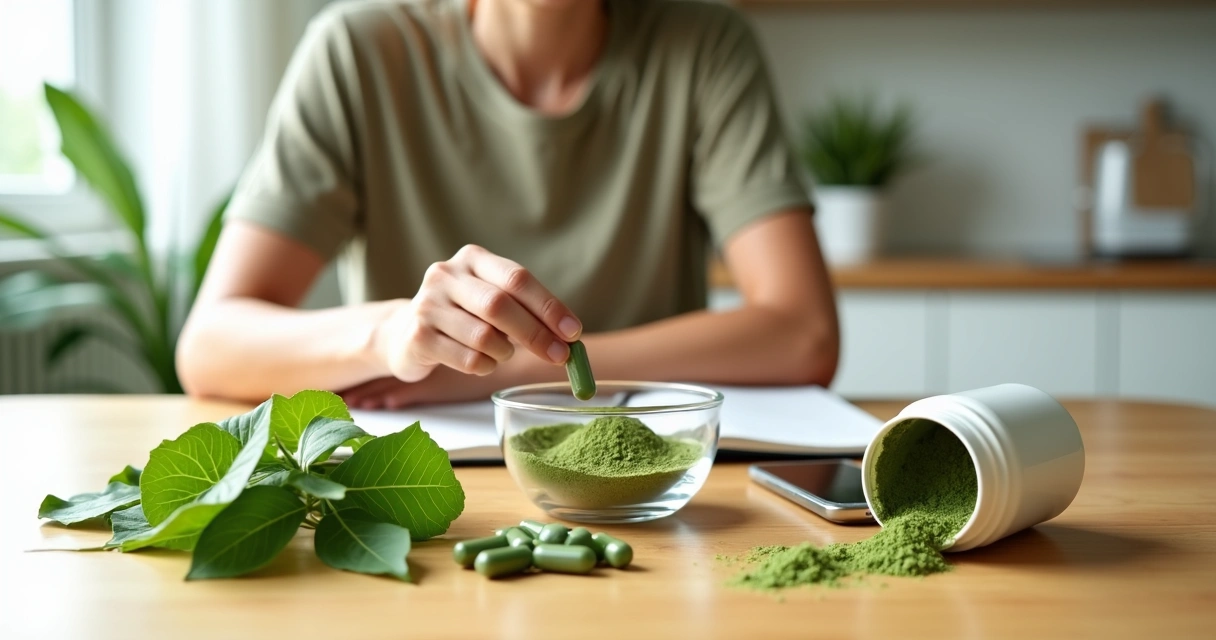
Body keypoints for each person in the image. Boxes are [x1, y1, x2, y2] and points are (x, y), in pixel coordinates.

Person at [177, 0, 840, 409]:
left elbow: (803, 335)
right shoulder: (356, 53)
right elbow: (210, 347)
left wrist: (510, 371)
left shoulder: (707, 45)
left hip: (647, 473)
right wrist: (394, 336)